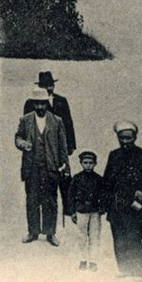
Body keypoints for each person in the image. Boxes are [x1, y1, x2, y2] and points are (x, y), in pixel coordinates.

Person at [101, 121, 142, 279]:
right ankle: (124, 270)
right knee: (118, 237)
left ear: (135, 137)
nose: (125, 142)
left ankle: (139, 273)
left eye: (128, 138)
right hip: (116, 205)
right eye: (122, 138)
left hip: (135, 207)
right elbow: (106, 181)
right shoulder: (113, 155)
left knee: (134, 238)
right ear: (118, 138)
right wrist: (105, 203)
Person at [15, 87, 70, 246]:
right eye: (37, 104)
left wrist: (65, 168)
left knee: (50, 200)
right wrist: (22, 143)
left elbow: (63, 147)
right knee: (32, 200)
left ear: (47, 104)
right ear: (33, 104)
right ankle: (33, 231)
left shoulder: (57, 121)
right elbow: (17, 137)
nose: (40, 107)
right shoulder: (25, 120)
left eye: (43, 104)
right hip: (31, 168)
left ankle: (50, 232)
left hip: (50, 168)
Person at [68, 149, 105, 271]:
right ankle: (82, 260)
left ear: (95, 164)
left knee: (95, 236)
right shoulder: (77, 178)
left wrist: (102, 208)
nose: (88, 165)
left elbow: (103, 195)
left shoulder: (99, 179)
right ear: (81, 163)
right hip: (81, 211)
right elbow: (71, 196)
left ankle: (93, 261)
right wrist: (73, 212)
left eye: (91, 162)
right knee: (81, 236)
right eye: (85, 162)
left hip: (95, 212)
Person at [23, 70, 77, 149]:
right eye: (45, 85)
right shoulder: (31, 103)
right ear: (40, 87)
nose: (49, 88)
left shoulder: (61, 101)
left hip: (59, 144)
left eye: (51, 85)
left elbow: (68, 123)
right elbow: (27, 126)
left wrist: (71, 145)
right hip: (39, 145)